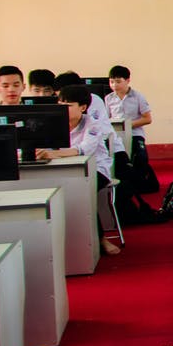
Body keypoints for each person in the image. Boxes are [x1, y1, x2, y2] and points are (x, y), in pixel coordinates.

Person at [40, 85, 120, 255]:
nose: (62, 108)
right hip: (64, 170)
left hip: (97, 169)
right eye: (60, 103)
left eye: (68, 105)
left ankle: (100, 239)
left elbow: (83, 149)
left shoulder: (93, 124)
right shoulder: (52, 124)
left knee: (82, 192)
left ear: (83, 107)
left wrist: (54, 153)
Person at [106, 65, 152, 144]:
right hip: (115, 134)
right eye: (111, 82)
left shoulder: (138, 96)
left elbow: (148, 119)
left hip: (135, 134)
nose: (114, 85)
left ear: (127, 81)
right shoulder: (108, 98)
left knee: (140, 154)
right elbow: (106, 118)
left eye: (118, 82)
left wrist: (127, 126)